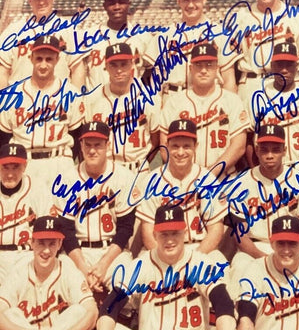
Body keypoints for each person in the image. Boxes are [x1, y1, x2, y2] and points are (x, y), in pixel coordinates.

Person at [91, 205, 237, 330]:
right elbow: (109, 307)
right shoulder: (141, 265)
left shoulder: (201, 262)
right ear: (155, 234)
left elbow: (225, 306)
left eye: (175, 233)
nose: (169, 240)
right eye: (164, 234)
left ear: (184, 232)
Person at [0, 215, 98, 330]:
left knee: (79, 311)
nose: (46, 250)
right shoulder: (18, 271)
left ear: (60, 244)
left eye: (52, 244)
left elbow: (93, 313)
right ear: (32, 243)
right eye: (41, 243)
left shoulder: (69, 270)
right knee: (9, 313)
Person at [49, 121, 136, 292]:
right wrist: (83, 268)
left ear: (108, 145)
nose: (92, 150)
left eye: (98, 145)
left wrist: (104, 264)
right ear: (80, 145)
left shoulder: (124, 177)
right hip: (77, 253)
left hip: (112, 252)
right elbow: (65, 230)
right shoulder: (67, 178)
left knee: (128, 280)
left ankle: (115, 317)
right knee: (64, 279)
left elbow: (126, 228)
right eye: (87, 145)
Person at [225, 124, 299, 265]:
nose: (270, 155)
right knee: (239, 265)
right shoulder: (240, 183)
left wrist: (295, 255)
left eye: (276, 150)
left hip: (294, 247)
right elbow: (239, 235)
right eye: (264, 150)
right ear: (256, 150)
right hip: (257, 247)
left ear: (284, 151)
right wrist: (264, 259)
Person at [244, 42, 299, 195]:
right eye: (279, 64)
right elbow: (249, 143)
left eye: (289, 65)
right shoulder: (256, 99)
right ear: (272, 66)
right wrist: (255, 173)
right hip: (269, 174)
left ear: (297, 66)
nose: (284, 70)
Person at [0, 35, 83, 188]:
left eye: (49, 59)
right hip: (24, 164)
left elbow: (77, 135)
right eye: (39, 59)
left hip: (59, 162)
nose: (43, 65)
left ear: (57, 59)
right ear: (30, 58)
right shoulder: (13, 95)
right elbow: (4, 137)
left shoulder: (70, 93)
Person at [136, 118, 227, 253]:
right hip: (162, 250)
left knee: (222, 271)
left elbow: (216, 229)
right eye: (175, 146)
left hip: (200, 248)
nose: (180, 152)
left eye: (186, 146)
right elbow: (148, 233)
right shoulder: (152, 180)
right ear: (167, 146)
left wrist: (194, 258)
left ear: (195, 146)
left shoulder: (207, 179)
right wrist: (167, 259)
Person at [160, 42, 248, 173]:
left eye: (209, 65)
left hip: (225, 178)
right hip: (185, 179)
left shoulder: (232, 100)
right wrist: (189, 176)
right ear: (190, 69)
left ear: (217, 68)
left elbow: (239, 146)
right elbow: (164, 147)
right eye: (198, 65)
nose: (203, 70)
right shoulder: (175, 102)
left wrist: (209, 175)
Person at [83, 43, 161, 175]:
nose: (119, 70)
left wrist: (143, 162)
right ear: (106, 66)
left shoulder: (149, 97)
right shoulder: (93, 99)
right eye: (113, 65)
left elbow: (156, 140)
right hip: (106, 170)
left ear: (132, 64)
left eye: (123, 64)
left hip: (138, 169)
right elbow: (86, 140)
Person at [0, 0, 87, 89]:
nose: (41, 2)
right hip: (20, 101)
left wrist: (76, 101)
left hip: (57, 100)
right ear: (30, 0)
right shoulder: (13, 30)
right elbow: (3, 71)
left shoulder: (69, 29)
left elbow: (77, 70)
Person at [83, 0, 149, 90]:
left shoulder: (144, 37)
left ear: (129, 4)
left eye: (122, 2)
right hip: (96, 102)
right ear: (104, 6)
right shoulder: (88, 36)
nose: (117, 7)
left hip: (131, 101)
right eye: (111, 3)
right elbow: (80, 73)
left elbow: (150, 72)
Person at [0, 143, 49, 285]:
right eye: (5, 167)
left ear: (25, 167)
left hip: (26, 256)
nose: (10, 174)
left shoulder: (38, 188)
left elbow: (49, 227)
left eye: (15, 167)